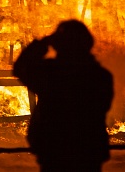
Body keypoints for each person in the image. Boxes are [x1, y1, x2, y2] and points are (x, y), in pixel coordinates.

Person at [13, 20, 114, 172]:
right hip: (88, 149)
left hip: (54, 147)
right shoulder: (100, 76)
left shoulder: (52, 74)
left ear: (58, 44)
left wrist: (43, 42)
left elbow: (21, 67)